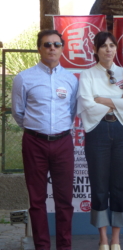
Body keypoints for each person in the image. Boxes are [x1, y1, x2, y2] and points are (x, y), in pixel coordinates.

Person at [11, 29, 78, 250]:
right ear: (39, 48)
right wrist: (37, 130)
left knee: (65, 201)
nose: (52, 48)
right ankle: (42, 246)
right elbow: (18, 113)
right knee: (37, 200)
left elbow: (72, 111)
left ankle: (64, 246)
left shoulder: (70, 80)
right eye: (47, 44)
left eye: (56, 44)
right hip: (34, 143)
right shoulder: (24, 78)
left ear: (62, 48)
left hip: (63, 142)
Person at [77, 31, 123, 250]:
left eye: (112, 45)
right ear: (95, 50)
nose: (109, 49)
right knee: (100, 184)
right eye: (104, 46)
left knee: (121, 184)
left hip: (122, 129)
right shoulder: (88, 75)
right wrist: (117, 100)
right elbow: (87, 104)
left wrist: (103, 99)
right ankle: (103, 238)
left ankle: (116, 239)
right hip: (98, 130)